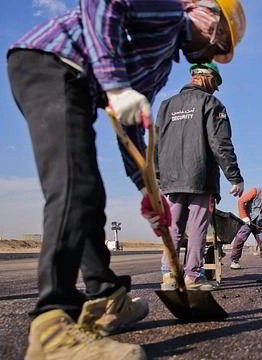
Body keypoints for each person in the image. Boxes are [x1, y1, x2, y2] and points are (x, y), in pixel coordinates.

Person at [6, 0, 246, 359]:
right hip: (50, 63)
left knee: (89, 196)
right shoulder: (166, 9)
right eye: (220, 37)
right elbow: (100, 3)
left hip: (77, 84)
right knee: (74, 189)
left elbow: (131, 122)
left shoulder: (162, 63)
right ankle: (51, 328)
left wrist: (146, 188)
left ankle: (106, 298)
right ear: (202, 10)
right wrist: (116, 85)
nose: (214, 48)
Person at [157, 62, 244, 291]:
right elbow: (220, 143)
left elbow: (156, 145)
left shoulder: (166, 106)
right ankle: (192, 277)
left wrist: (159, 177)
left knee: (173, 227)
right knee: (197, 228)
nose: (215, 89)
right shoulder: (210, 103)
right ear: (207, 77)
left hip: (171, 179)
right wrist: (234, 177)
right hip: (200, 177)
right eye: (215, 83)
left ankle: (169, 276)